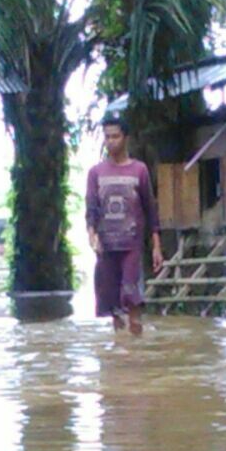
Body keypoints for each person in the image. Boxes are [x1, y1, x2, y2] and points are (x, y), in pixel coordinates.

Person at [86, 113, 163, 335]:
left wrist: (156, 246)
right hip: (106, 247)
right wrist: (93, 236)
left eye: (115, 136)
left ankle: (136, 350)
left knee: (132, 297)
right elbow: (91, 209)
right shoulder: (95, 173)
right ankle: (120, 355)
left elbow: (150, 209)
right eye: (107, 137)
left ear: (126, 138)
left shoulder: (139, 170)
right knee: (113, 305)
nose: (111, 142)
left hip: (132, 246)